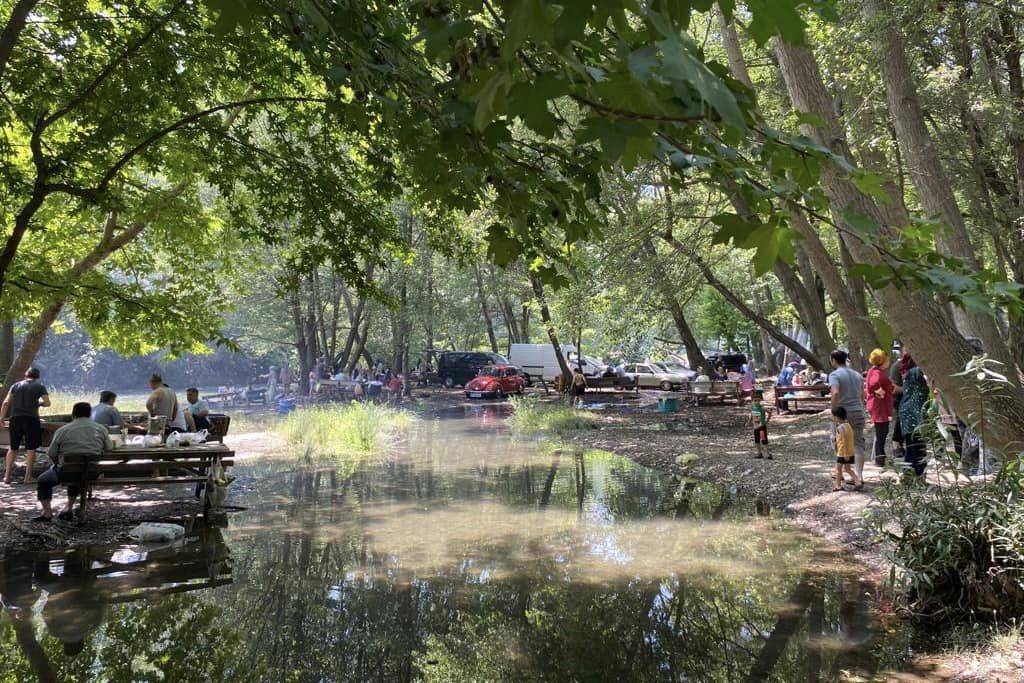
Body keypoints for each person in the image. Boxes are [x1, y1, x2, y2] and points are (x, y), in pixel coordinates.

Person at [34, 402, 109, 522]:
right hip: (92, 473)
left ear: (73, 414)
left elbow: (51, 453)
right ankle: (68, 508)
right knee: (77, 474)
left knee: (43, 481)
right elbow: (109, 448)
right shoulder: (101, 429)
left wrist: (57, 464)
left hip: (66, 472)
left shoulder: (63, 430)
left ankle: (47, 513)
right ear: (90, 414)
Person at [2, 367, 50, 485]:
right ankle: (27, 478)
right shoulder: (40, 386)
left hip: (15, 419)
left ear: (25, 374)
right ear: (37, 377)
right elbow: (48, 403)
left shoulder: (16, 385)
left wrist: (1, 418)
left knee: (13, 447)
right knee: (31, 448)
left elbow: (6, 402)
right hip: (31, 420)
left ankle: (7, 477)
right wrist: (38, 403)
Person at [828, 350, 867, 479]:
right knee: (858, 443)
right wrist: (862, 409)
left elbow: (835, 393)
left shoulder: (834, 375)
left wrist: (834, 410)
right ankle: (859, 476)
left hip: (843, 413)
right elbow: (862, 396)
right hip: (858, 411)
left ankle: (841, 473)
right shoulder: (858, 375)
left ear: (833, 360)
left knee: (839, 441)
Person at [864, 349, 894, 467]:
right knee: (882, 432)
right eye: (887, 360)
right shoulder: (877, 373)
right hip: (879, 407)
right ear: (882, 361)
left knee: (881, 432)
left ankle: (880, 458)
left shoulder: (874, 370)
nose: (888, 363)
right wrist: (880, 392)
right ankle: (879, 459)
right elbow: (874, 383)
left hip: (879, 406)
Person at [899, 366, 930, 477]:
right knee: (918, 449)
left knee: (910, 448)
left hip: (907, 423)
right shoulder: (920, 393)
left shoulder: (908, 394)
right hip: (917, 424)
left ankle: (908, 475)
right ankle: (918, 475)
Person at [832, 406, 863, 492]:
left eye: (833, 416)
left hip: (843, 452)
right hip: (850, 451)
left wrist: (845, 453)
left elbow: (844, 440)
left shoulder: (840, 427)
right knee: (847, 469)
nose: (833, 418)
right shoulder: (848, 425)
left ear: (837, 417)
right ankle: (857, 482)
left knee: (838, 469)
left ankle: (838, 486)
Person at [746, 390, 771, 459]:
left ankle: (767, 454)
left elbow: (769, 412)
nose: (757, 402)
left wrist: (767, 421)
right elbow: (751, 414)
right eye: (755, 400)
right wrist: (749, 422)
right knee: (757, 440)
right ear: (752, 401)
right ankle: (759, 453)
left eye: (758, 400)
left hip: (761, 427)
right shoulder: (752, 407)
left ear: (760, 400)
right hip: (755, 427)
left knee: (763, 440)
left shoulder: (762, 408)